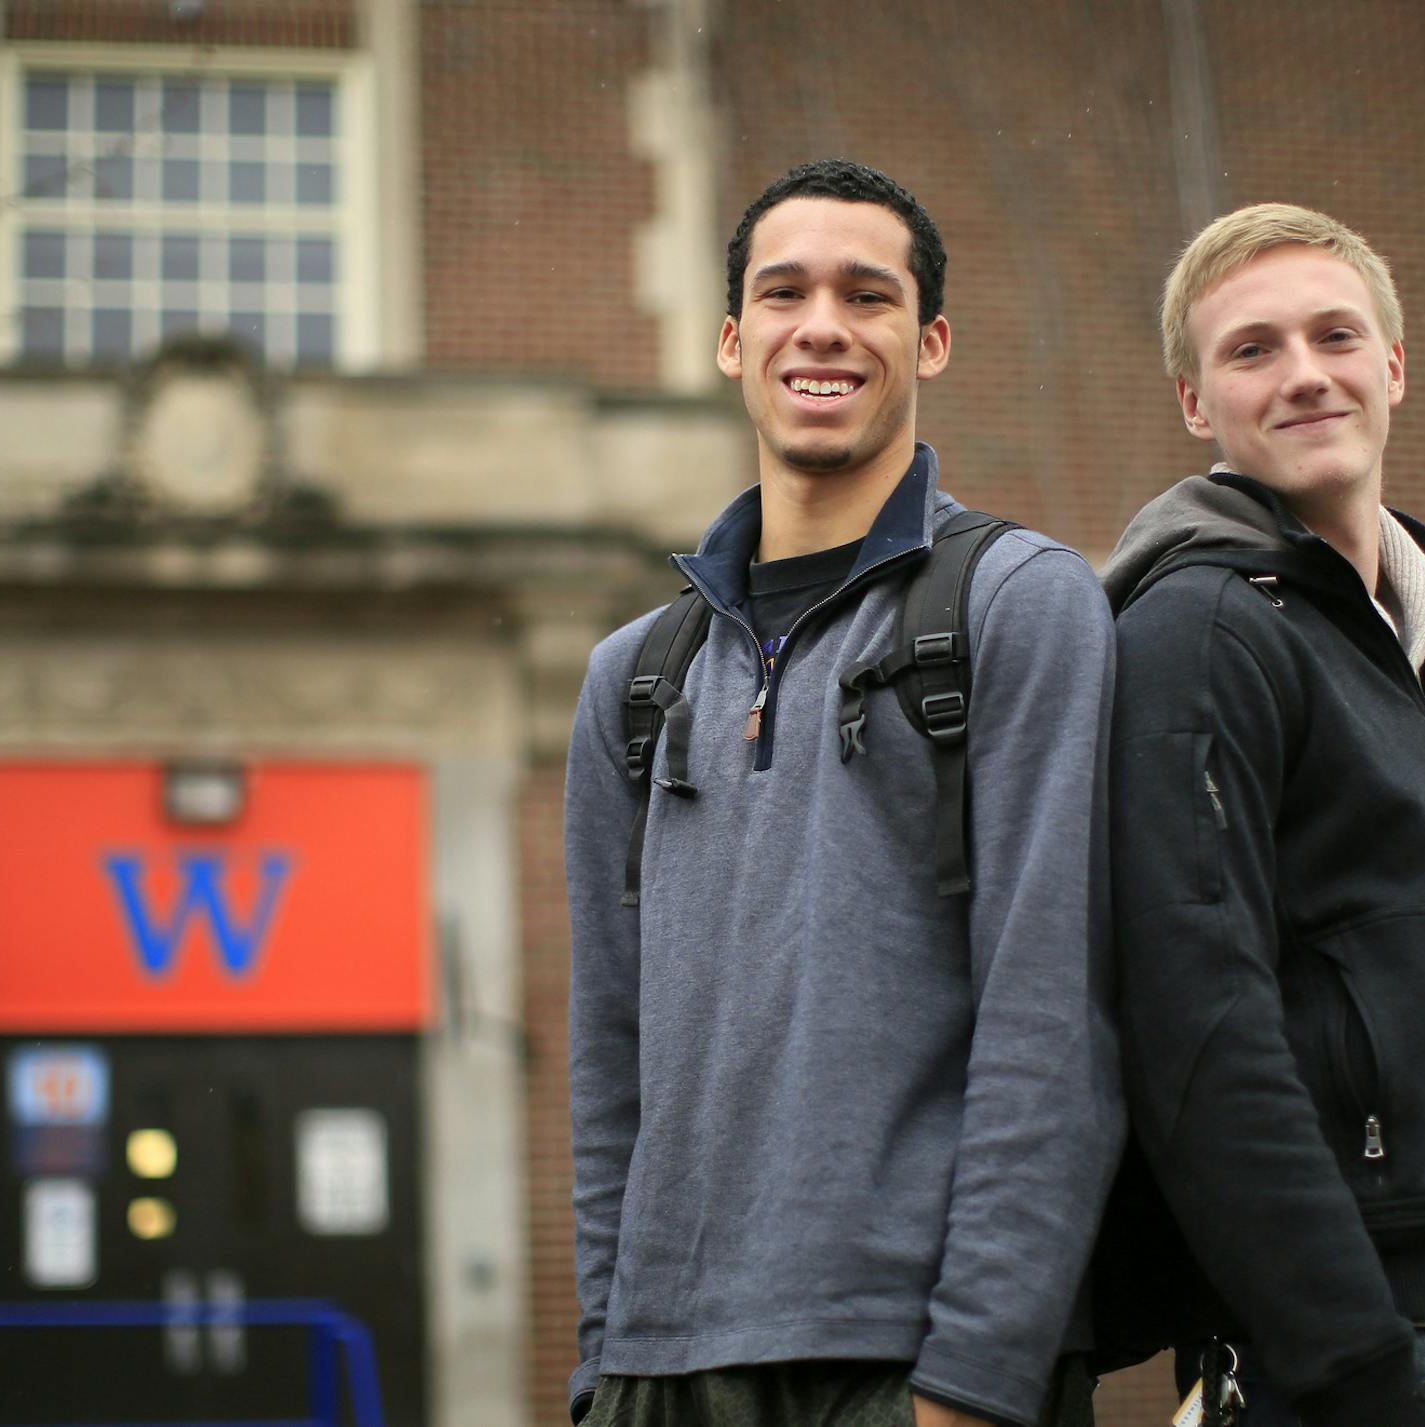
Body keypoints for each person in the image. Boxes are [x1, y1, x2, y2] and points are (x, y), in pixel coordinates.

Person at [564, 159, 1121, 1427]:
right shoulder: (631, 680)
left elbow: (1056, 1016)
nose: (822, 324)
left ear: (927, 340)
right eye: (784, 292)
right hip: (662, 1369)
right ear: (731, 339)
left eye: (868, 295)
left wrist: (979, 1376)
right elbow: (610, 1065)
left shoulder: (1020, 604)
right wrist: (604, 1369)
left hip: (911, 1361)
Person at [1099, 204, 1425, 1427]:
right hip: (1349, 1365)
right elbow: (1196, 1023)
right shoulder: (1195, 632)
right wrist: (1347, 1360)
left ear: (1394, 366)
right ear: (1193, 402)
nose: (1305, 373)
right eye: (1253, 348)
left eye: (1336, 334)